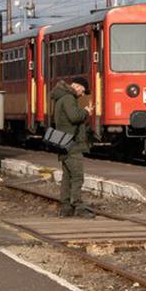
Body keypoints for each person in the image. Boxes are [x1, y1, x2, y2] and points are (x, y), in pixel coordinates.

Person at [51, 74, 94, 218]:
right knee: (77, 176)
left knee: (67, 176)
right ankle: (78, 206)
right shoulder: (69, 98)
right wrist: (86, 112)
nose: (82, 94)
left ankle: (66, 208)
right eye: (83, 91)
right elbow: (74, 117)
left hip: (63, 141)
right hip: (71, 143)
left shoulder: (61, 97)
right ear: (77, 86)